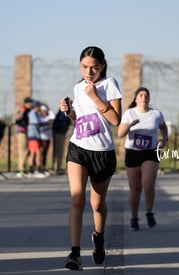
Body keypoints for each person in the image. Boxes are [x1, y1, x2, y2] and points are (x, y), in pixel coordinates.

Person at [60, 46, 122, 270]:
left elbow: (116, 120)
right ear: (80, 66)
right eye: (85, 67)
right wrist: (69, 112)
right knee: (77, 199)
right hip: (78, 148)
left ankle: (99, 237)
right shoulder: (78, 88)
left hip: (102, 153)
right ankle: (74, 253)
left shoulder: (110, 84)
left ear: (102, 66)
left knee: (97, 204)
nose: (89, 71)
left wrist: (95, 96)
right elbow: (78, 120)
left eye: (94, 67)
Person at [117, 87, 168, 231]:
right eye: (141, 95)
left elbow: (163, 127)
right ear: (136, 99)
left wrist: (164, 139)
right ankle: (134, 217)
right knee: (135, 188)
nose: (144, 97)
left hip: (150, 152)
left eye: (146, 95)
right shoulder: (129, 113)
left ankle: (149, 212)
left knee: (148, 184)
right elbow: (120, 134)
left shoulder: (156, 114)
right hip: (133, 152)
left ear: (149, 99)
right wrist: (130, 125)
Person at [26, 101, 47, 178]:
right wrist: (45, 123)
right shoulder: (32, 113)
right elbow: (37, 122)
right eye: (38, 106)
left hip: (36, 136)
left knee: (34, 152)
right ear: (36, 106)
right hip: (33, 136)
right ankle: (37, 169)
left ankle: (33, 168)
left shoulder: (35, 113)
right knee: (36, 152)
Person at [15, 97, 32, 178]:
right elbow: (17, 118)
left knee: (26, 151)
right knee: (23, 151)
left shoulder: (28, 110)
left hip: (25, 132)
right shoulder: (23, 109)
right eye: (30, 103)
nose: (31, 105)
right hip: (21, 132)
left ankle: (24, 168)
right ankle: (21, 169)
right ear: (26, 103)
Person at [52, 108, 72, 175]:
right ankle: (55, 167)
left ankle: (58, 167)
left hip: (62, 133)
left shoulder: (66, 113)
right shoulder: (62, 113)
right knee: (58, 151)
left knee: (60, 151)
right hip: (58, 133)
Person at [39, 104, 55, 174]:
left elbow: (53, 116)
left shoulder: (48, 117)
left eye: (45, 111)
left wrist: (49, 109)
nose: (45, 112)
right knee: (40, 152)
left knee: (45, 153)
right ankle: (39, 166)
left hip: (47, 138)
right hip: (41, 137)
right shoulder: (40, 118)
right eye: (43, 111)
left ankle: (43, 167)